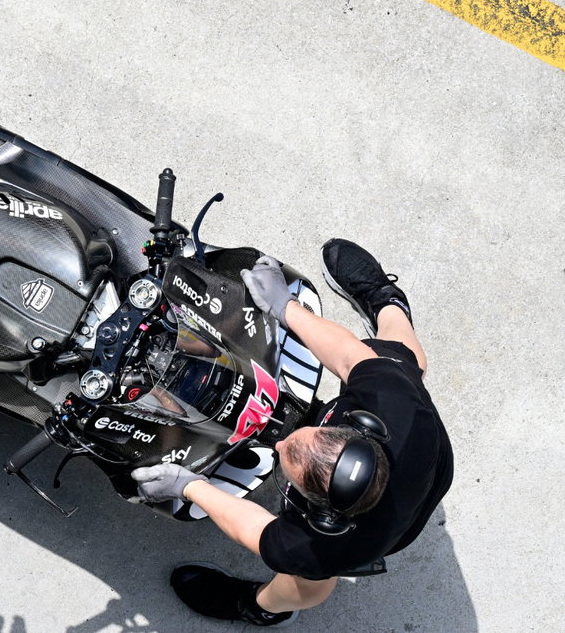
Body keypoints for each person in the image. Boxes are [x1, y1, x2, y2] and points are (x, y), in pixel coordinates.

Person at [132, 239, 453, 626]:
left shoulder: (323, 543)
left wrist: (187, 486)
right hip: (424, 447)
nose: (279, 440)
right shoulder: (394, 402)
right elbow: (349, 356)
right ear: (361, 428)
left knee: (307, 580)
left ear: (324, 517)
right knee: (403, 359)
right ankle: (387, 302)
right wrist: (286, 309)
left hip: (396, 522)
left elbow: (256, 530)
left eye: (286, 456)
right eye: (306, 437)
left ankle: (261, 609)